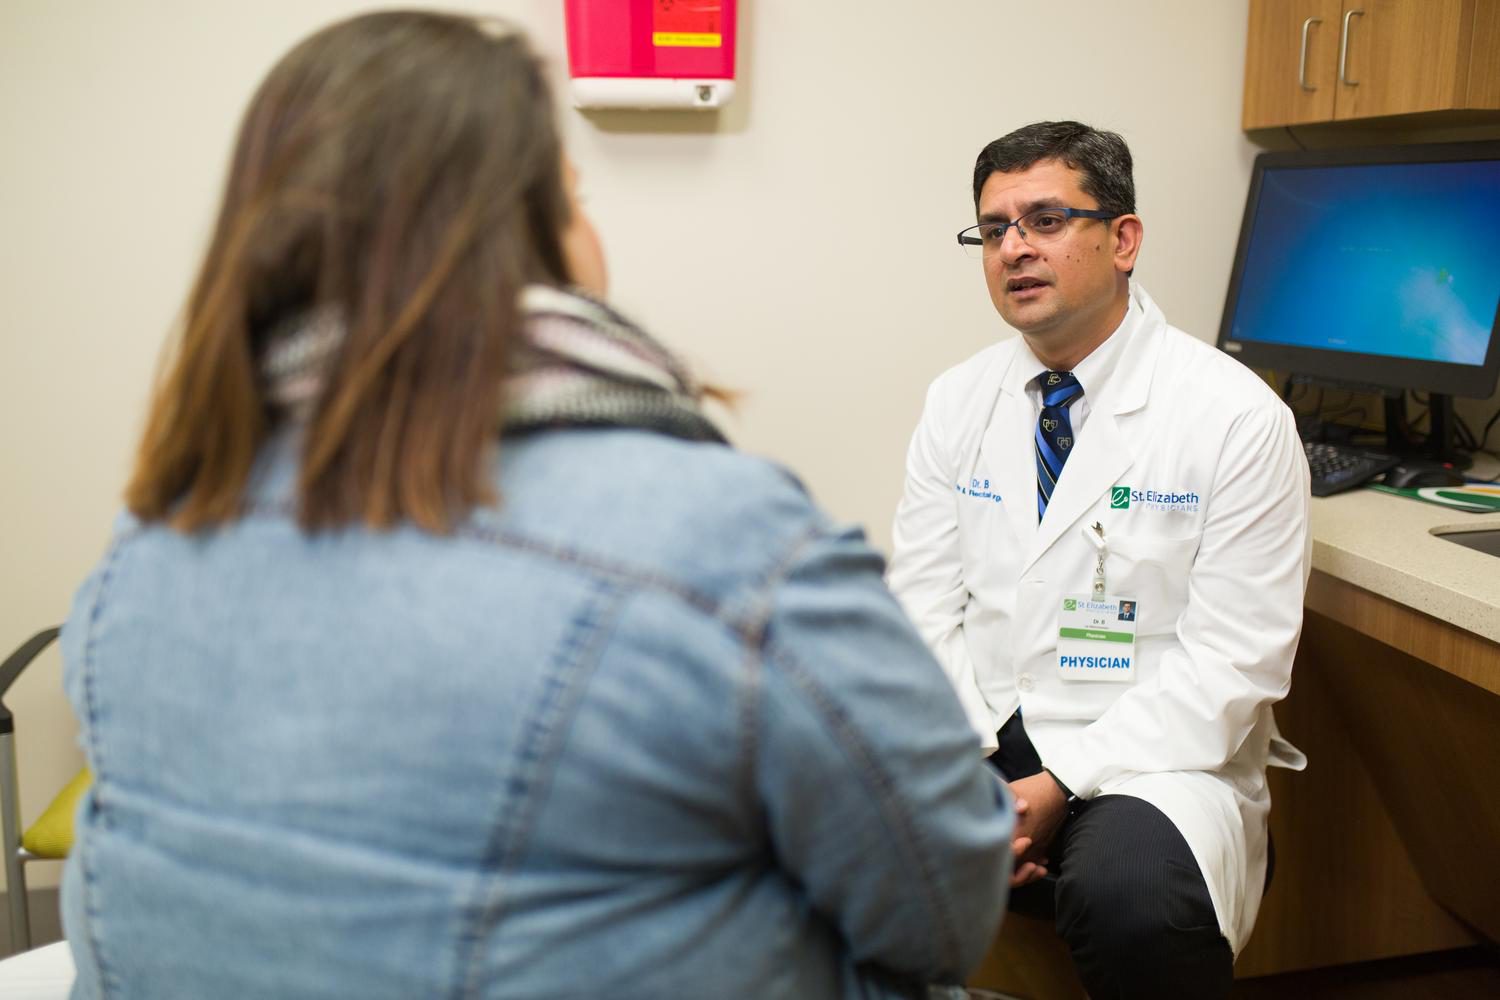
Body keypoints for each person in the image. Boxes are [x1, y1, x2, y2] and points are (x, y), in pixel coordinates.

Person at [58, 13, 1015, 999]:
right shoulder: (721, 539)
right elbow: (944, 903)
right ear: (524, 238)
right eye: (576, 195)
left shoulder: (151, 536)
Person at [887, 121, 1311, 998]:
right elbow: (919, 606)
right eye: (994, 228)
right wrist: (969, 774)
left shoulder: (1234, 417)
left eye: (1044, 219)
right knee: (808, 830)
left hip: (1153, 756)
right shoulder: (959, 399)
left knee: (1132, 898)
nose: (1014, 248)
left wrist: (1058, 785)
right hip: (985, 725)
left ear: (1122, 239)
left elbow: (1235, 663)